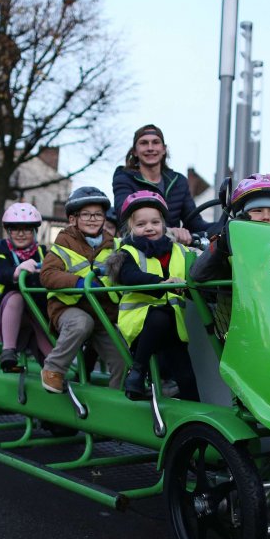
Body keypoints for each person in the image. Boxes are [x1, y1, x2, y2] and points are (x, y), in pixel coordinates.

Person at [108, 190, 199, 402]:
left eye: (155, 222)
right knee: (160, 315)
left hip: (173, 326)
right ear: (130, 228)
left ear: (164, 224)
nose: (149, 228)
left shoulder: (179, 250)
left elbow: (198, 272)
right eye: (141, 225)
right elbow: (130, 276)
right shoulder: (127, 252)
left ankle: (195, 417)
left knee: (185, 375)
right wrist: (161, 283)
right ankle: (137, 371)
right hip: (140, 325)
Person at [38, 187, 127, 394]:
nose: (92, 219)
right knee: (81, 323)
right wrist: (78, 282)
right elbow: (48, 274)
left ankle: (119, 400)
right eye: (86, 214)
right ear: (73, 219)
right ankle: (53, 369)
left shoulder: (114, 245)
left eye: (97, 214)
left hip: (103, 312)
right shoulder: (63, 244)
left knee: (122, 356)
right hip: (69, 308)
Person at [112, 124, 211, 246]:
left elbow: (195, 223)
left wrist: (226, 226)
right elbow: (124, 216)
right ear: (135, 151)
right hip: (137, 247)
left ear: (164, 149)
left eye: (155, 142)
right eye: (144, 143)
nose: (150, 148)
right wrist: (167, 231)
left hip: (171, 249)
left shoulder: (179, 181)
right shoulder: (124, 178)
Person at [0, 203, 51, 372]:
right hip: (1, 311)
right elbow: (0, 273)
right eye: (15, 229)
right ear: (8, 231)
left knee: (39, 318)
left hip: (35, 311)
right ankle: (8, 351)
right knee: (17, 297)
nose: (21, 234)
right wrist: (17, 271)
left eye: (26, 229)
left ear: (34, 231)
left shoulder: (43, 253)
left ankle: (55, 367)